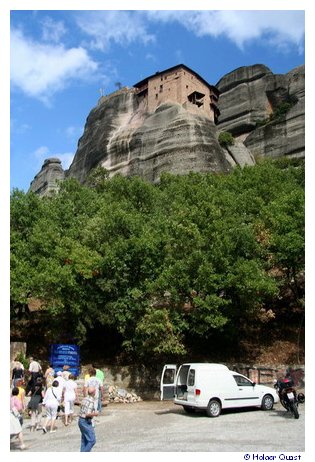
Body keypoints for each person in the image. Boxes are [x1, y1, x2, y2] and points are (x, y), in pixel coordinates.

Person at [78, 386, 98, 452]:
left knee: (84, 440)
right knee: (92, 440)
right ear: (94, 392)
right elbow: (87, 414)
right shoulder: (91, 401)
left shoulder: (84, 399)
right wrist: (95, 414)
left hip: (80, 420)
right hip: (85, 421)